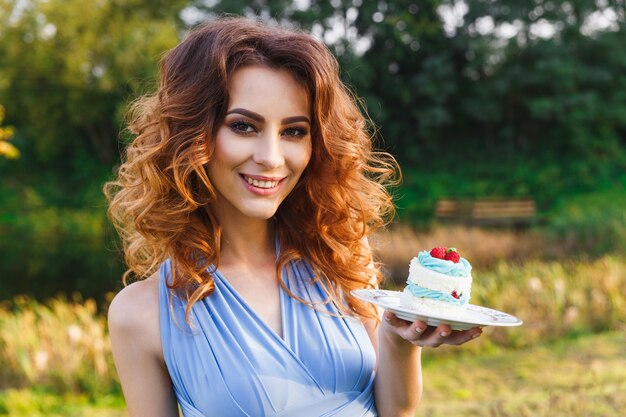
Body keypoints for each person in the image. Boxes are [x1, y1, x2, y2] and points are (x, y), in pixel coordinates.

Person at [105, 16, 482, 417]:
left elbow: (394, 411)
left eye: (294, 131)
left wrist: (398, 338)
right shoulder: (141, 313)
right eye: (244, 126)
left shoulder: (342, 260)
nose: (271, 157)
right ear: (192, 136)